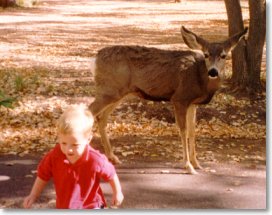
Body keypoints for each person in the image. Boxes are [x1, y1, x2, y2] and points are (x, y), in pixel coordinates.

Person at [23, 104, 124, 209]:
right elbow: (43, 175)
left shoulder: (95, 159)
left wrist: (118, 192)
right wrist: (33, 195)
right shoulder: (54, 156)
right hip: (65, 207)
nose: (68, 149)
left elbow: (111, 174)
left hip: (91, 206)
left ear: (88, 139)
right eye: (63, 143)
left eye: (75, 145)